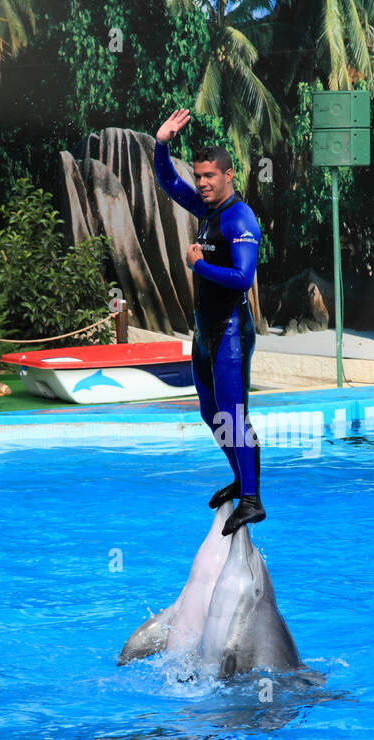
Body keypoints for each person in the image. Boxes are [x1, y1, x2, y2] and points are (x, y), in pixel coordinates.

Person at [153, 108, 265, 536]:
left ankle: (252, 499)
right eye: (198, 176)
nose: (201, 183)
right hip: (206, 331)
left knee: (234, 416)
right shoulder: (205, 209)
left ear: (228, 175)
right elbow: (167, 182)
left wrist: (197, 265)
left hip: (232, 331)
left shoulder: (239, 218)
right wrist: (162, 144)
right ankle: (241, 479)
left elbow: (243, 277)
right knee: (209, 412)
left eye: (208, 177)